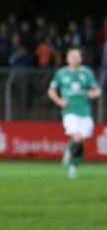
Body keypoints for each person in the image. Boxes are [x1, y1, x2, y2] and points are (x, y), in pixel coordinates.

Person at [47, 46, 101, 178]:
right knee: (77, 138)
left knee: (81, 141)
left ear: (81, 58)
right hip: (69, 111)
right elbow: (51, 91)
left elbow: (97, 90)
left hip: (85, 112)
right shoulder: (61, 73)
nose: (75, 58)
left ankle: (73, 165)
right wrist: (59, 101)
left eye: (77, 56)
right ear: (67, 58)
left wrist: (93, 94)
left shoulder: (87, 72)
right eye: (72, 56)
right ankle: (72, 166)